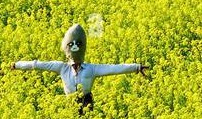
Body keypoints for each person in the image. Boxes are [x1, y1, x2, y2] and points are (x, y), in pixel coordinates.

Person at [11, 24, 148, 112]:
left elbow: (114, 68)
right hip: (70, 104)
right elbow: (37, 64)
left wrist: (136, 67)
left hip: (87, 102)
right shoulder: (62, 68)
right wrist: (17, 65)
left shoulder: (91, 69)